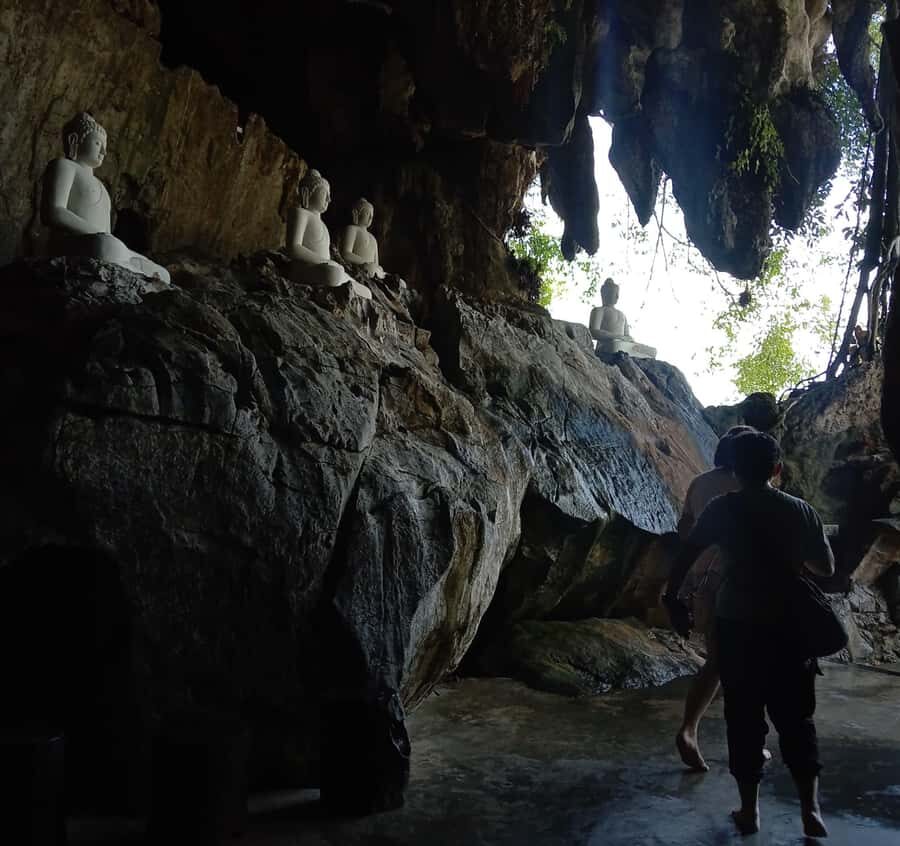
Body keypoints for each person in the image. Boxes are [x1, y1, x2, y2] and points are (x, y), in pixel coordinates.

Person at [664, 431, 834, 838]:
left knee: (743, 717)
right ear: (777, 468)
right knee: (797, 719)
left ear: (735, 470)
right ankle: (811, 810)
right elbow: (826, 567)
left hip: (737, 621)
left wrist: (672, 597)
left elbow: (687, 551)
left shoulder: (723, 507)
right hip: (790, 625)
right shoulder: (799, 510)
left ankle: (748, 810)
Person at [670, 425, 753, 772]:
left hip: (702, 577)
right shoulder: (747, 485)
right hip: (738, 580)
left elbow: (684, 527)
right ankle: (748, 740)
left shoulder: (699, 483)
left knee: (718, 660)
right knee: (748, 661)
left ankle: (690, 729)